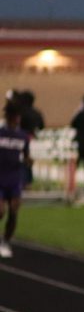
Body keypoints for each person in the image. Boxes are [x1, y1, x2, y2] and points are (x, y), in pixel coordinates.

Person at [0, 100, 30, 258]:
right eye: (16, 116)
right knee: (0, 211)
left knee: (13, 210)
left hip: (14, 179)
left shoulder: (23, 136)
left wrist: (28, 161)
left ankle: (5, 242)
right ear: (10, 116)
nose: (18, 118)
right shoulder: (1, 133)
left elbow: (26, 156)